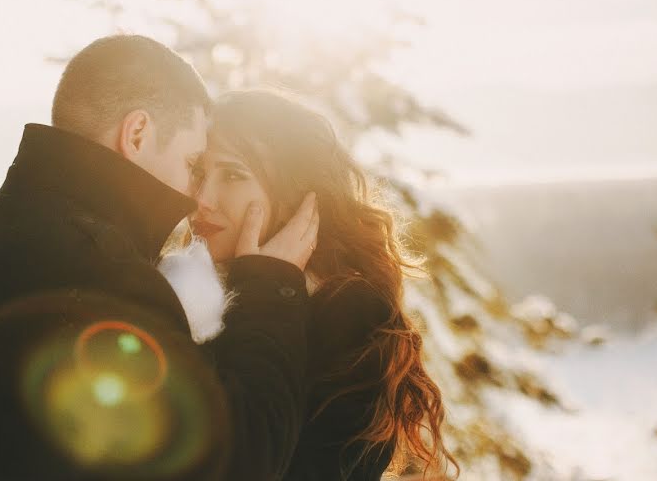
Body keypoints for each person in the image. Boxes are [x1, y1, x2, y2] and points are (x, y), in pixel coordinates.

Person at [0, 35, 318, 480]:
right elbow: (234, 463)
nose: (193, 195)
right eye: (191, 163)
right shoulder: (108, 276)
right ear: (136, 134)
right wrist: (271, 287)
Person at [172, 89, 459, 480]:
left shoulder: (348, 312)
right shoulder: (180, 288)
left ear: (295, 194)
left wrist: (266, 290)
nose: (202, 198)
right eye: (199, 173)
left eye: (234, 175)